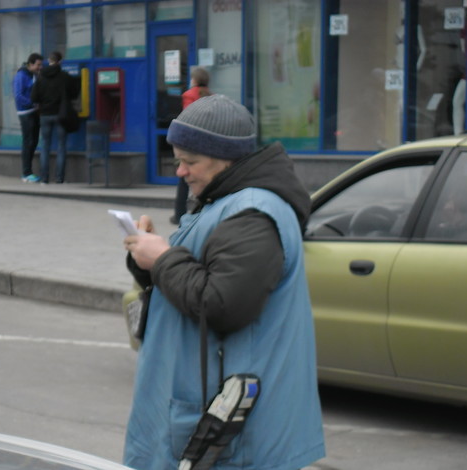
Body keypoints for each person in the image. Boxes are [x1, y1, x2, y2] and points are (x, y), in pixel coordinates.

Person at [121, 94, 325, 470]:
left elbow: (222, 304)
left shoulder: (252, 213)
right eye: (178, 159)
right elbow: (194, 277)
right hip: (212, 417)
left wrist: (163, 258)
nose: (180, 172)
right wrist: (147, 259)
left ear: (227, 158)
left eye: (190, 162)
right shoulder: (226, 199)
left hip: (229, 435)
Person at [171, 67, 212, 225]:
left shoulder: (189, 95)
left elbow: (187, 120)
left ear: (194, 80)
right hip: (208, 145)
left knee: (183, 179)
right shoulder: (211, 95)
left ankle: (179, 213)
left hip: (192, 144)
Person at [31, 51, 79, 184]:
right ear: (61, 61)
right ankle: (59, 178)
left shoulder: (41, 77)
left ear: (49, 60)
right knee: (61, 146)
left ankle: (45, 179)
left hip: (45, 115)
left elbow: (34, 97)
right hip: (61, 115)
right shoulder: (65, 76)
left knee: (45, 146)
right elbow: (75, 93)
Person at [14, 53, 43, 183]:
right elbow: (18, 96)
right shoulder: (21, 76)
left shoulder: (34, 75)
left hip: (34, 112)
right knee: (28, 142)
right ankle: (26, 173)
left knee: (34, 141)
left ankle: (28, 172)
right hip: (25, 114)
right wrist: (32, 103)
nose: (40, 67)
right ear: (30, 64)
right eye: (38, 65)